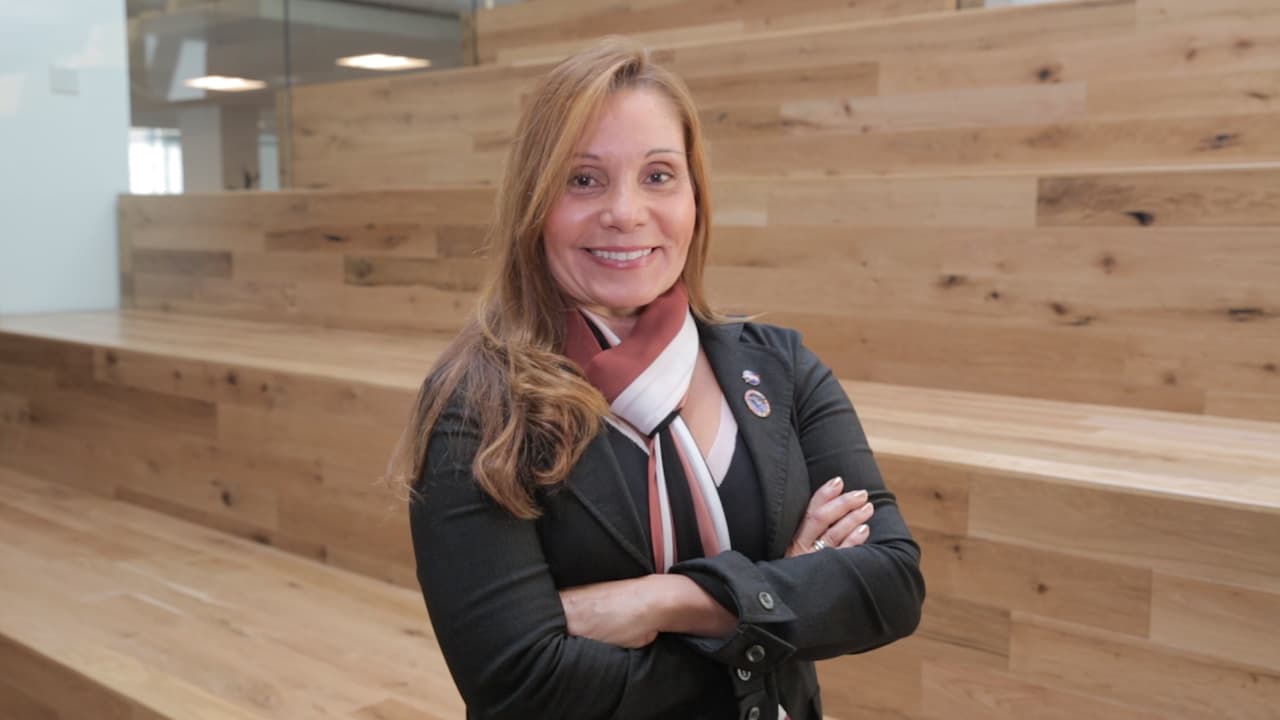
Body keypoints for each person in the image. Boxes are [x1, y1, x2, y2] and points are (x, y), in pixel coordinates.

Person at [388, 37, 925, 720]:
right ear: (535, 202)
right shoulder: (479, 404)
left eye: (658, 175)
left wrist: (663, 601)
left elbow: (892, 585)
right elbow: (521, 680)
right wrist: (781, 595)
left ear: (695, 196)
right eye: (583, 179)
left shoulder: (780, 367)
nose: (625, 211)